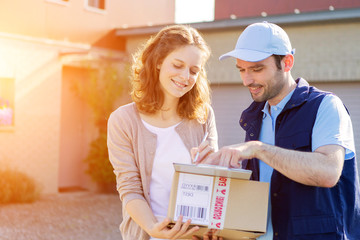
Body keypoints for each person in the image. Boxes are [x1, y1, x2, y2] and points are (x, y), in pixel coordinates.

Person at [194, 21, 360, 239]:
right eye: (242, 70)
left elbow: (328, 172)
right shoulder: (253, 117)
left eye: (257, 69)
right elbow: (260, 195)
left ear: (287, 62)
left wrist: (259, 149)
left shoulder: (325, 106)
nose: (247, 80)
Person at [107, 24, 219, 240]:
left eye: (194, 71)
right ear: (158, 61)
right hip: (148, 234)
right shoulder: (123, 121)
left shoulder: (203, 116)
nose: (185, 76)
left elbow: (213, 182)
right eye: (178, 65)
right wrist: (152, 227)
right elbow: (129, 187)